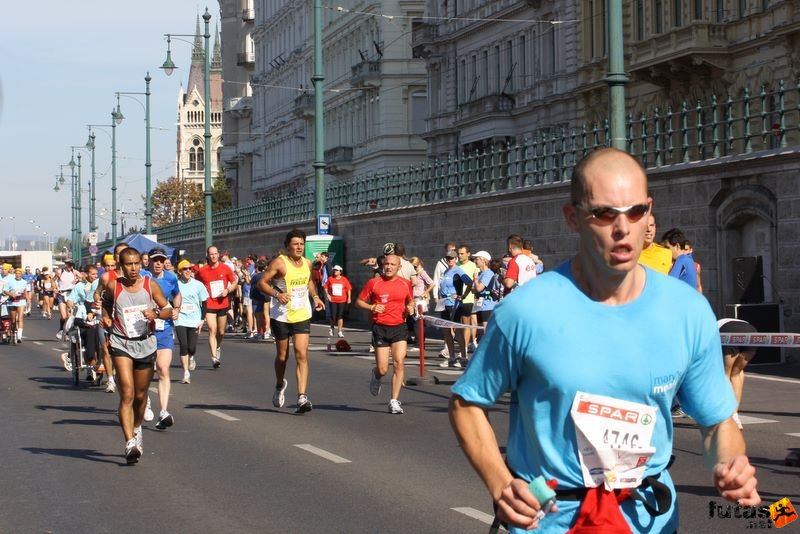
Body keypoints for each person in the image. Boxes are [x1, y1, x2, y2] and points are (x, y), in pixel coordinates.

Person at [449, 148, 759, 533]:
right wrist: (500, 483)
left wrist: (729, 464)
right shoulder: (526, 311)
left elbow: (717, 424)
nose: (622, 227)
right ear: (573, 217)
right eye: (604, 213)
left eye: (634, 212)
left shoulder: (688, 311)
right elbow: (466, 404)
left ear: (649, 212)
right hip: (550, 519)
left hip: (648, 518)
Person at [101, 247, 172, 465]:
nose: (133, 268)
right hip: (121, 343)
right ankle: (129, 442)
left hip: (145, 344)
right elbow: (105, 305)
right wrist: (106, 319)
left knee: (141, 396)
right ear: (121, 267)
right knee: (128, 392)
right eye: (129, 264)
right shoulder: (115, 286)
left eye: (136, 264)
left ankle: (137, 426)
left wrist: (156, 313)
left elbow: (169, 309)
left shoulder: (150, 285)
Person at [257, 229, 325, 413]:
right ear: (288, 246)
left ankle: (302, 397)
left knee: (302, 354)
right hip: (281, 315)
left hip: (302, 312)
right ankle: (279, 384)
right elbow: (262, 283)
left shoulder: (307, 263)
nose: (299, 247)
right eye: (295, 244)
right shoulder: (280, 263)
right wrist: (277, 294)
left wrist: (316, 297)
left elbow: (309, 281)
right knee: (282, 356)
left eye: (302, 244)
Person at [355, 254, 415, 414]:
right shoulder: (374, 283)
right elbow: (359, 301)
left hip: (400, 328)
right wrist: (372, 308)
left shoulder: (406, 283)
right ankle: (376, 374)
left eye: (392, 264)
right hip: (380, 328)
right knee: (383, 369)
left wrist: (411, 307)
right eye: (386, 264)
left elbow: (410, 301)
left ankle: (394, 401)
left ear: (399, 267)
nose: (389, 267)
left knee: (399, 363)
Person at [144, 247, 182, 430]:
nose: (158, 263)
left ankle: (164, 412)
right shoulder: (142, 277)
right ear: (149, 261)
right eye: (155, 260)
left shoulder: (171, 277)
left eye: (161, 260)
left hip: (164, 328)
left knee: (163, 368)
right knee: (146, 370)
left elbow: (177, 294)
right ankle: (145, 401)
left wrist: (176, 309)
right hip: (144, 329)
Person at [196, 245, 238, 369]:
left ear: (218, 254)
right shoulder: (202, 271)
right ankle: (214, 357)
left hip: (222, 303)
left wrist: (228, 289)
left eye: (215, 254)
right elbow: (197, 284)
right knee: (212, 329)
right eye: (211, 254)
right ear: (207, 255)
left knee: (221, 331)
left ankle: (217, 346)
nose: (213, 256)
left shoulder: (225, 268)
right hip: (209, 303)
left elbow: (234, 283)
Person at [719, 318, 759, 430]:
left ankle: (724, 415)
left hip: (728, 332)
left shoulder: (711, 327)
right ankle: (735, 416)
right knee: (736, 373)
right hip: (751, 331)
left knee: (724, 375)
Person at [175, 259, 209, 384]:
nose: (188, 271)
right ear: (179, 271)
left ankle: (192, 357)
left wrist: (202, 319)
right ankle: (186, 373)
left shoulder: (198, 285)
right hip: (180, 318)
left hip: (194, 318)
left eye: (190, 268)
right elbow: (169, 299)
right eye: (185, 269)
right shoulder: (176, 284)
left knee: (191, 347)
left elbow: (204, 302)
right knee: (183, 345)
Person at [323, 265, 352, 338]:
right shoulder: (330, 279)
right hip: (333, 300)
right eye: (334, 270)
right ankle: (332, 328)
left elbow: (348, 289)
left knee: (340, 316)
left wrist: (349, 298)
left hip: (342, 300)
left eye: (336, 270)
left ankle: (340, 331)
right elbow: (325, 287)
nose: (335, 271)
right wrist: (327, 295)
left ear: (340, 272)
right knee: (333, 315)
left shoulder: (344, 279)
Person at [3, 268, 27, 342]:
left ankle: (19, 336)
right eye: (16, 273)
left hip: (21, 301)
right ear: (15, 274)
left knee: (20, 319)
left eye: (19, 273)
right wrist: (11, 294)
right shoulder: (10, 282)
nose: (18, 275)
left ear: (21, 274)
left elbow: (25, 291)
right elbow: (5, 290)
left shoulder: (24, 282)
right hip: (12, 302)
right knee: (13, 320)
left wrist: (26, 297)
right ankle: (13, 333)